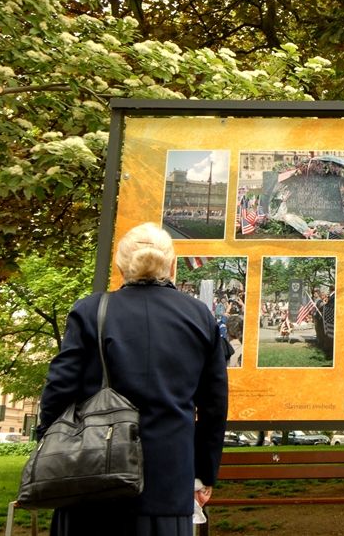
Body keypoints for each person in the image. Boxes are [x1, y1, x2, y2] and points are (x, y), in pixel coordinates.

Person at [37, 222, 227, 536]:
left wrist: (49, 446)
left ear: (120, 266)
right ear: (172, 265)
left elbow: (58, 390)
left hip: (90, 479)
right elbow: (214, 407)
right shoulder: (199, 317)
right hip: (168, 485)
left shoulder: (89, 311)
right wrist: (203, 474)